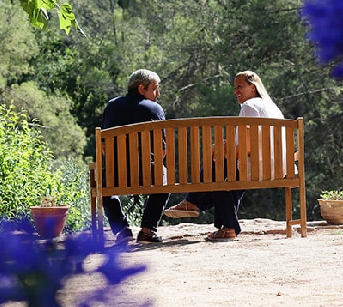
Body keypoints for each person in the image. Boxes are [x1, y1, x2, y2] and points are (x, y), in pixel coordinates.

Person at [164, 70, 284, 242]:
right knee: (222, 173)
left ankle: (194, 203)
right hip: (279, 165)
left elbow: (247, 147)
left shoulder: (249, 106)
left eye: (240, 87)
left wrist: (220, 151)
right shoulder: (270, 106)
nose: (236, 91)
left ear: (253, 86)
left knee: (218, 169)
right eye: (235, 88)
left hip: (257, 165)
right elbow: (253, 142)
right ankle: (223, 224)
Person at [101, 69, 170, 245]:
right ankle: (147, 230)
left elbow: (103, 146)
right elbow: (163, 150)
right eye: (155, 88)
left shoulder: (112, 106)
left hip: (115, 174)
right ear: (141, 88)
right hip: (149, 173)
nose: (158, 93)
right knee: (165, 178)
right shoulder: (155, 109)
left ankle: (122, 231)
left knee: (102, 183)